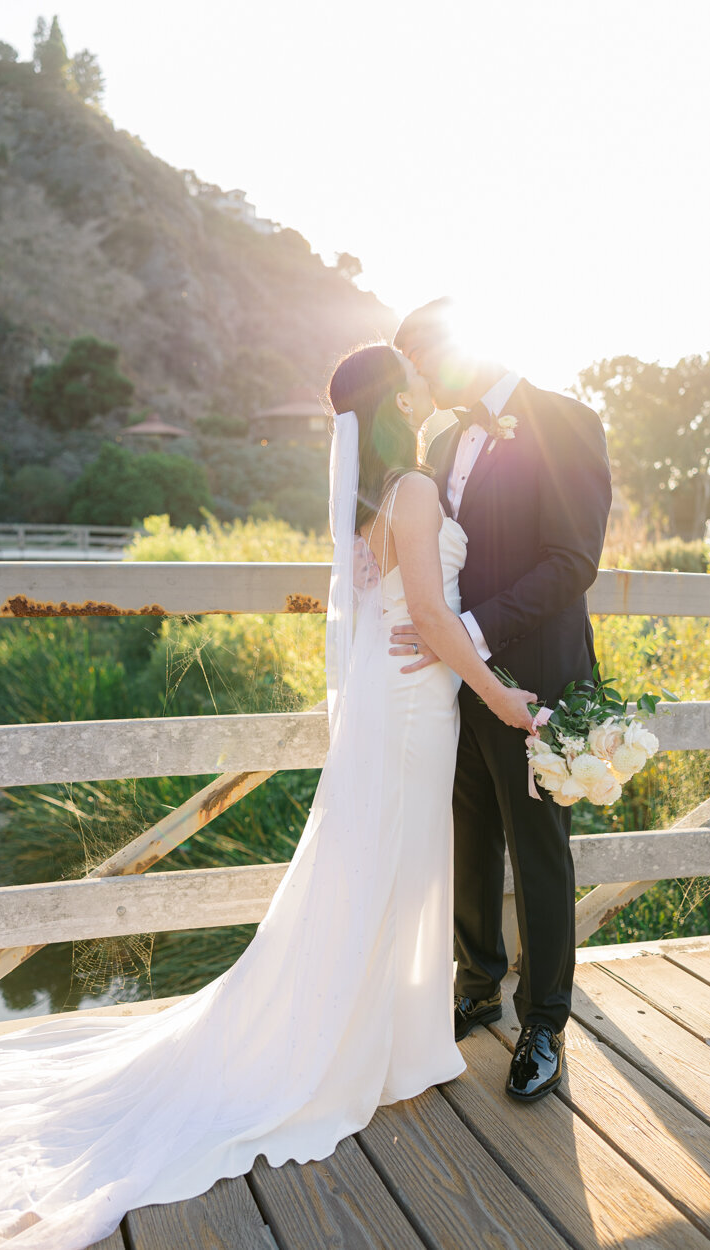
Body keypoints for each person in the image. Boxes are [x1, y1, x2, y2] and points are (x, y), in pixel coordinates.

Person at [0, 344, 533, 1250]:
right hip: (417, 707)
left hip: (398, 704)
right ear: (395, 401)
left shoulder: (367, 497)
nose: (428, 386)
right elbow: (425, 613)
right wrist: (501, 694)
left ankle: (382, 1035)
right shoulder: (413, 490)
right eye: (413, 379)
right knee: (397, 859)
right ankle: (374, 1045)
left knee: (379, 862)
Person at [390, 299, 612, 1101]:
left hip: (536, 679)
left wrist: (469, 629)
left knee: (538, 849)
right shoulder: (445, 442)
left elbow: (570, 560)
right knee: (470, 834)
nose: (418, 372)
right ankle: (475, 981)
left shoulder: (564, 419)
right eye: (410, 360)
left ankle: (545, 1021)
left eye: (423, 354)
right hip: (458, 681)